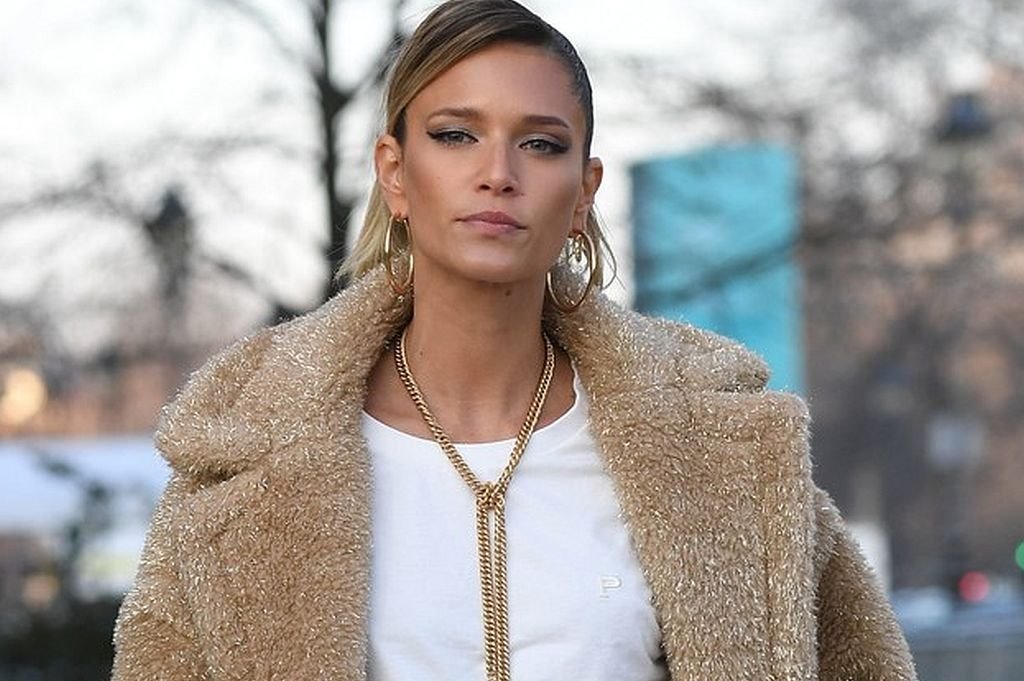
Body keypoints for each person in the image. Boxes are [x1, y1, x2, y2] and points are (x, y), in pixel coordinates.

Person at [111, 1, 917, 679]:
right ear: (394, 171)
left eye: (541, 143)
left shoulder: (721, 450)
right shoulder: (246, 458)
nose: (498, 172)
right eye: (456, 134)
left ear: (583, 192)